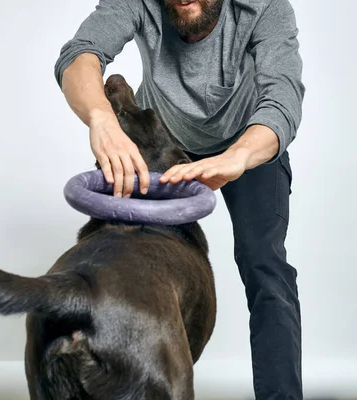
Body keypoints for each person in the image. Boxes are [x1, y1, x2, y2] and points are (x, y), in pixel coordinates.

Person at [53, 0, 306, 398]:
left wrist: (238, 156)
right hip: (163, 141)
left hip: (247, 143)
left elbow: (283, 97)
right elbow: (80, 52)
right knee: (123, 255)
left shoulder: (265, 6)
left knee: (264, 266)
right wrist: (101, 117)